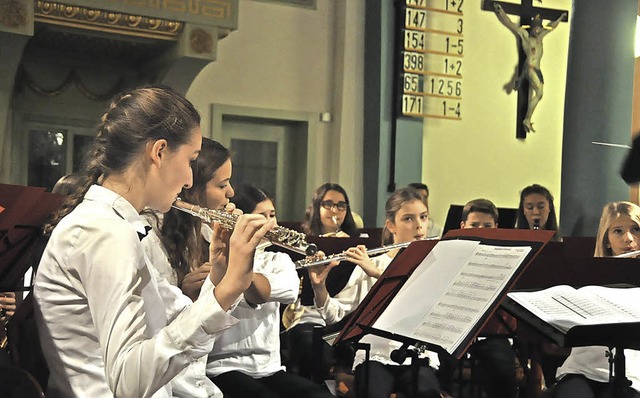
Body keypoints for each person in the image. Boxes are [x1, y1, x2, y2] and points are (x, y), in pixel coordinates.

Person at [33, 86, 274, 398]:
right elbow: (129, 382)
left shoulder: (121, 226)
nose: (190, 180)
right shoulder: (103, 231)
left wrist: (219, 279)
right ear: (159, 152)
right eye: (191, 160)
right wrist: (227, 291)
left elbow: (172, 321)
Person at [308, 187, 442, 398]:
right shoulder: (374, 261)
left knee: (426, 391)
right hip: (376, 355)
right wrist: (319, 286)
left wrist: (375, 273)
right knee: (372, 392)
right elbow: (333, 315)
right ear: (391, 225)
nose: (419, 225)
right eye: (408, 218)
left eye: (423, 217)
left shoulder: (433, 264)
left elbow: (417, 297)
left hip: (418, 354)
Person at [206, 183, 333, 398]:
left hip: (269, 368)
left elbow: (269, 293)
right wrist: (231, 256)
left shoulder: (279, 260)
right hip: (222, 367)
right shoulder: (216, 258)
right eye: (261, 216)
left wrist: (238, 263)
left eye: (272, 215)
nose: (270, 223)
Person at [552, 201, 640, 397]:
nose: (629, 239)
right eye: (618, 231)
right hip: (581, 370)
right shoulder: (586, 277)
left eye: (636, 229)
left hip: (633, 375)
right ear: (606, 239)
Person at [284, 182, 359, 380]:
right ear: (317, 208)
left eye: (341, 205)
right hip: (307, 316)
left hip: (343, 315)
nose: (335, 210)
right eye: (328, 204)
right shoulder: (301, 242)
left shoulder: (357, 243)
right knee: (312, 344)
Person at [451, 198, 519, 398]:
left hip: (491, 334)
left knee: (503, 369)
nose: (480, 230)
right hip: (451, 334)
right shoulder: (449, 255)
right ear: (463, 227)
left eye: (487, 226)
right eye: (474, 225)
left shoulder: (507, 258)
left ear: (496, 227)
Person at [493, 4, 567, 133]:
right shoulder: (526, 37)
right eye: (536, 28)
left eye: (539, 28)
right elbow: (510, 24)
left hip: (537, 70)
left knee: (539, 94)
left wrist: (560, 18)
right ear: (532, 28)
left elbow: (552, 27)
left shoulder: (541, 38)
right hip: (530, 68)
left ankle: (527, 119)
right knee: (539, 93)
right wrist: (500, 11)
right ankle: (527, 119)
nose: (537, 31)